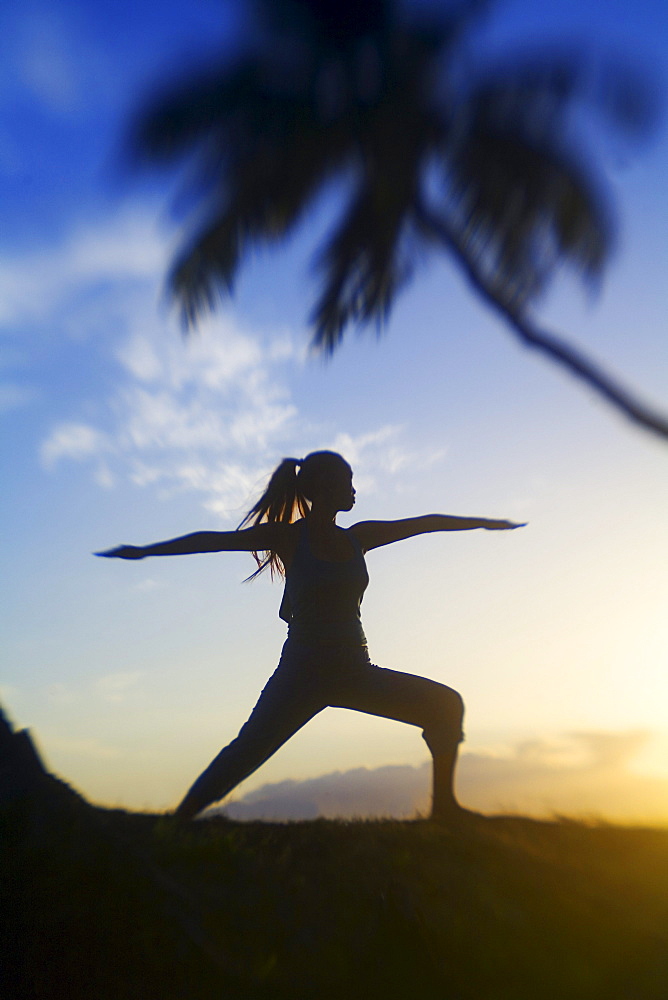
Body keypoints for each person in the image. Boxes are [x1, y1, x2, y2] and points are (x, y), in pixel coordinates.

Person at [97, 451, 524, 823]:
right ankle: (179, 820)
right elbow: (214, 540)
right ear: (322, 485)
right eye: (347, 480)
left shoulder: (359, 537)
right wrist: (146, 550)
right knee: (247, 751)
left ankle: (444, 809)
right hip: (302, 671)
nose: (354, 489)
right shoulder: (288, 535)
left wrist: (485, 523)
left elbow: (424, 524)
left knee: (445, 706)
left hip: (355, 670)